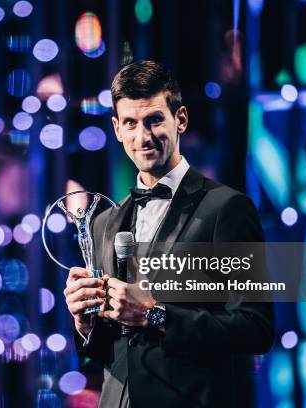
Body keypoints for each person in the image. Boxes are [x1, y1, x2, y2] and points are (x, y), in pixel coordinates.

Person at [63, 60, 275, 407]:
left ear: (181, 120)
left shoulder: (227, 208)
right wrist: (83, 323)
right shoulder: (105, 223)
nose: (142, 137)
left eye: (154, 120)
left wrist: (153, 314)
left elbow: (256, 328)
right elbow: (111, 350)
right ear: (116, 129)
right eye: (130, 123)